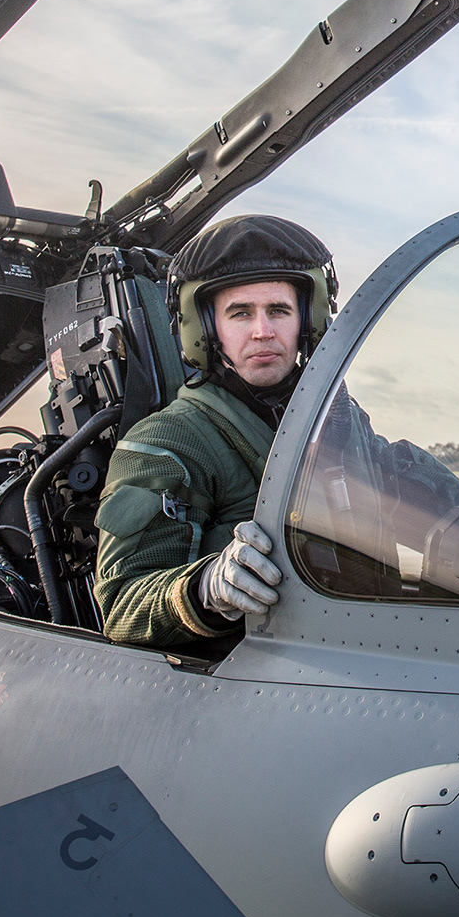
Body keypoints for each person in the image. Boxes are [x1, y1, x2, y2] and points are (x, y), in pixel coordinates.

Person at [91, 215, 335, 648]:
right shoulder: (167, 443)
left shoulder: (335, 420)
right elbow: (121, 606)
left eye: (279, 310)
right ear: (205, 331)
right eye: (240, 313)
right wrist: (204, 589)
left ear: (307, 320)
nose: (263, 331)